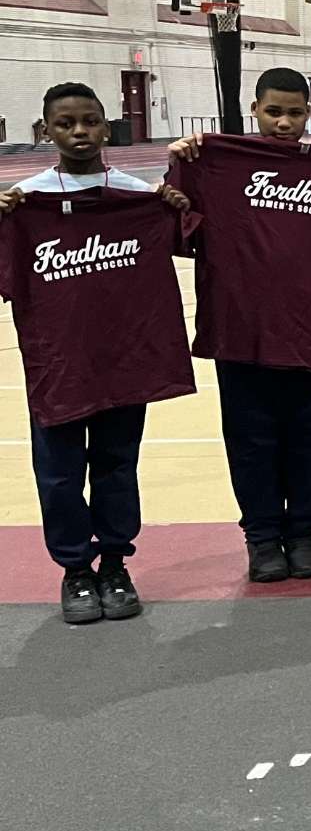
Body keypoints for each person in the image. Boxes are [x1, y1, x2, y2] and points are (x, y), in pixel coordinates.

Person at [167, 67, 311, 584]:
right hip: (243, 331)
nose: (284, 123)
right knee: (251, 441)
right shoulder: (218, 164)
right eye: (274, 112)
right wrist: (184, 164)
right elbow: (176, 228)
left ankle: (301, 532)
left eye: (295, 113)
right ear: (254, 110)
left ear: (309, 113)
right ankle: (261, 537)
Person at [0, 82, 194, 624]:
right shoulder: (25, 203)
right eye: (66, 124)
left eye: (89, 121)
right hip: (58, 365)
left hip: (125, 363)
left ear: (107, 127)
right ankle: (74, 569)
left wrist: (172, 208)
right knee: (58, 474)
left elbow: (193, 241)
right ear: (46, 132)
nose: (79, 132)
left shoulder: (137, 196)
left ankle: (114, 562)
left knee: (116, 467)